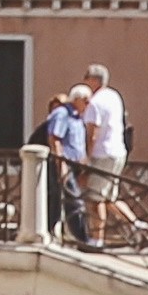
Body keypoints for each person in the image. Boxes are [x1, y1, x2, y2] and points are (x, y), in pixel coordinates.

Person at [37, 80, 98, 246]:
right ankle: (83, 238)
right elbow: (54, 139)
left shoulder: (78, 118)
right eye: (86, 100)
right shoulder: (62, 114)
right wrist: (61, 164)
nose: (88, 104)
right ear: (76, 99)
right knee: (74, 201)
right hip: (62, 163)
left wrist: (84, 161)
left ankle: (50, 231)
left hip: (74, 165)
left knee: (58, 201)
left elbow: (78, 142)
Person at [78, 65, 132, 247]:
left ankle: (96, 239)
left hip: (102, 154)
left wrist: (86, 159)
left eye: (86, 77)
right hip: (118, 152)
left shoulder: (94, 103)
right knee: (109, 198)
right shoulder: (114, 96)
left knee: (94, 199)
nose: (84, 82)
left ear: (94, 80)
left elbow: (92, 134)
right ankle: (135, 223)